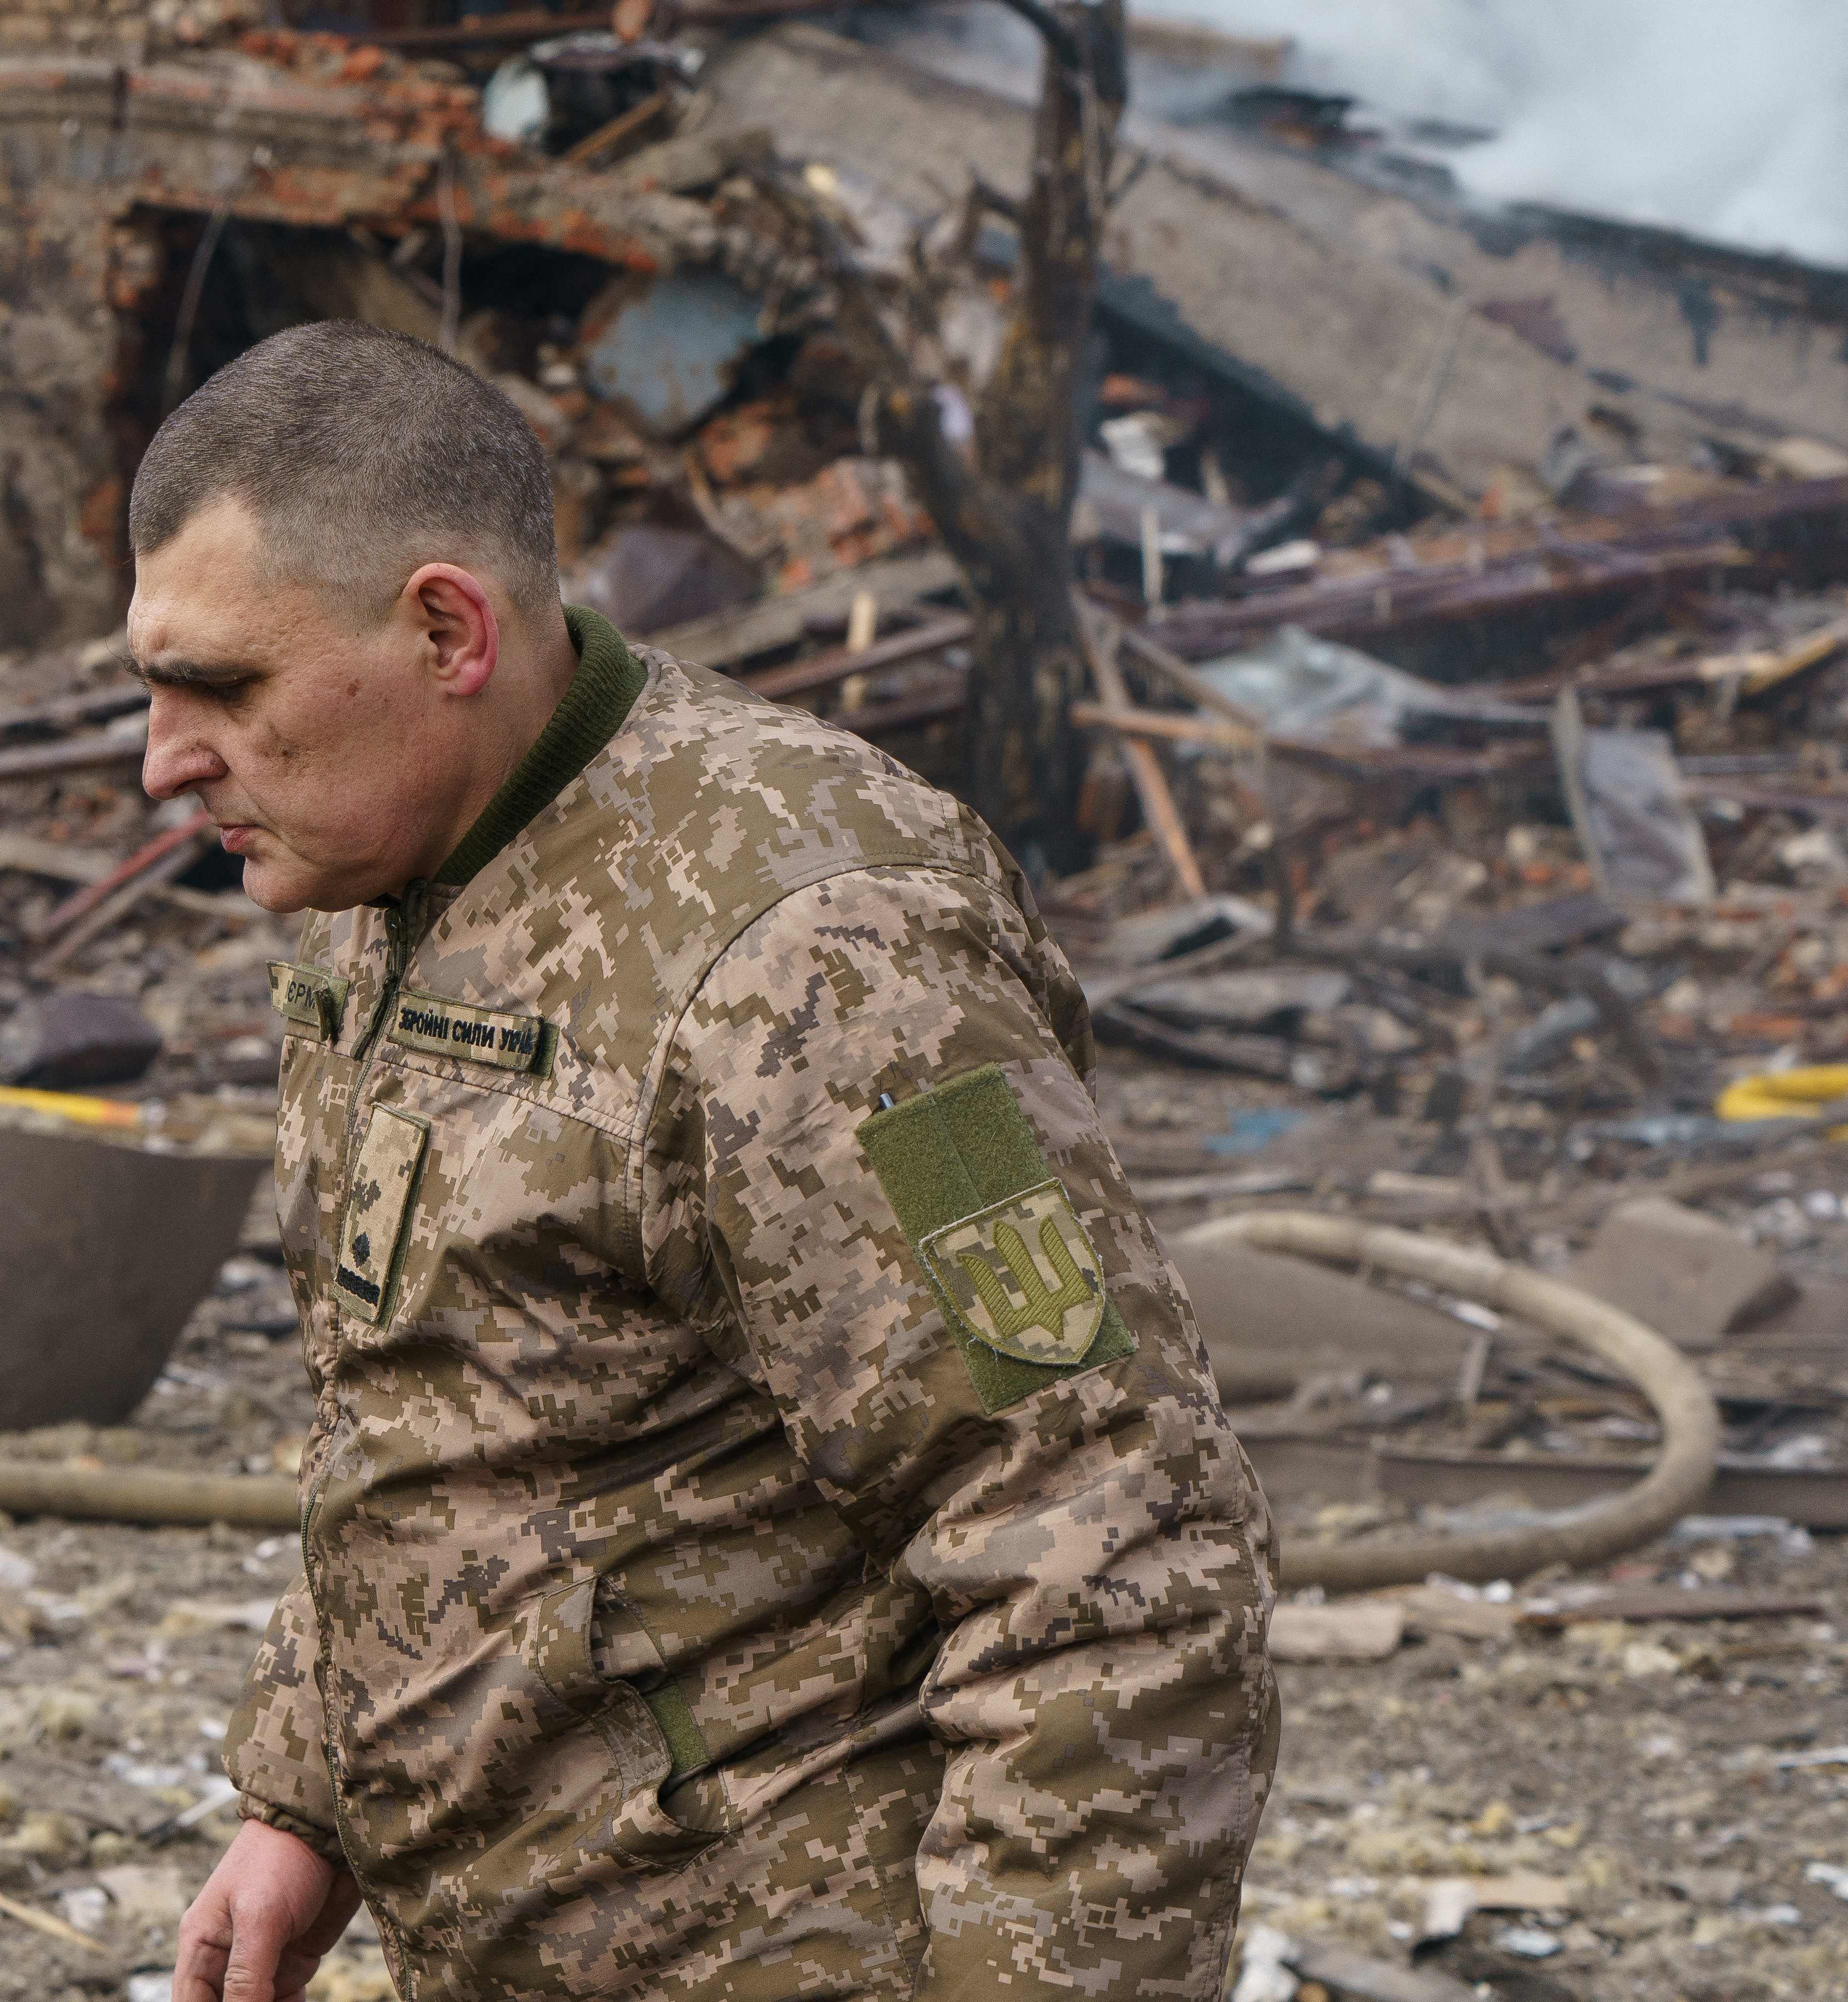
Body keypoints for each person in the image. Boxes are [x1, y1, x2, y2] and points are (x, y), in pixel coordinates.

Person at [125, 320, 1277, 2002]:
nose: (164, 762)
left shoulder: (820, 958)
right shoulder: (387, 883)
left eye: (222, 687)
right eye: (151, 688)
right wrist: (306, 1800)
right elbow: (450, 1409)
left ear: (448, 628)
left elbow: (1109, 1544)